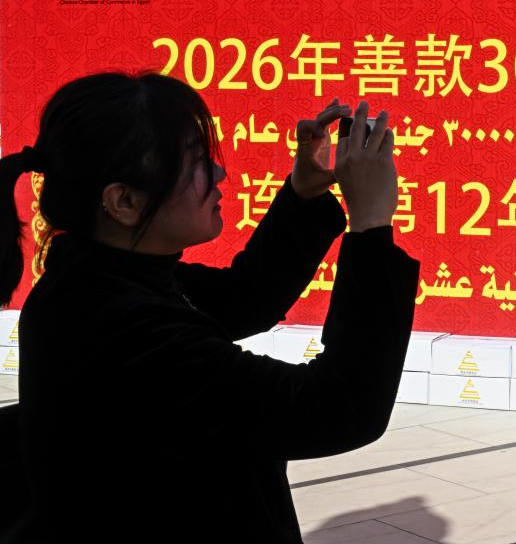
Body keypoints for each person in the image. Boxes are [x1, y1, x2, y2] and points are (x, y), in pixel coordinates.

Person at [0, 73, 420, 541]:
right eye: (197, 163)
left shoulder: (106, 281)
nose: (219, 175)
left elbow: (245, 296)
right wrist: (370, 224)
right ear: (124, 200)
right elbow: (340, 406)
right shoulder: (119, 328)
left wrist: (305, 192)